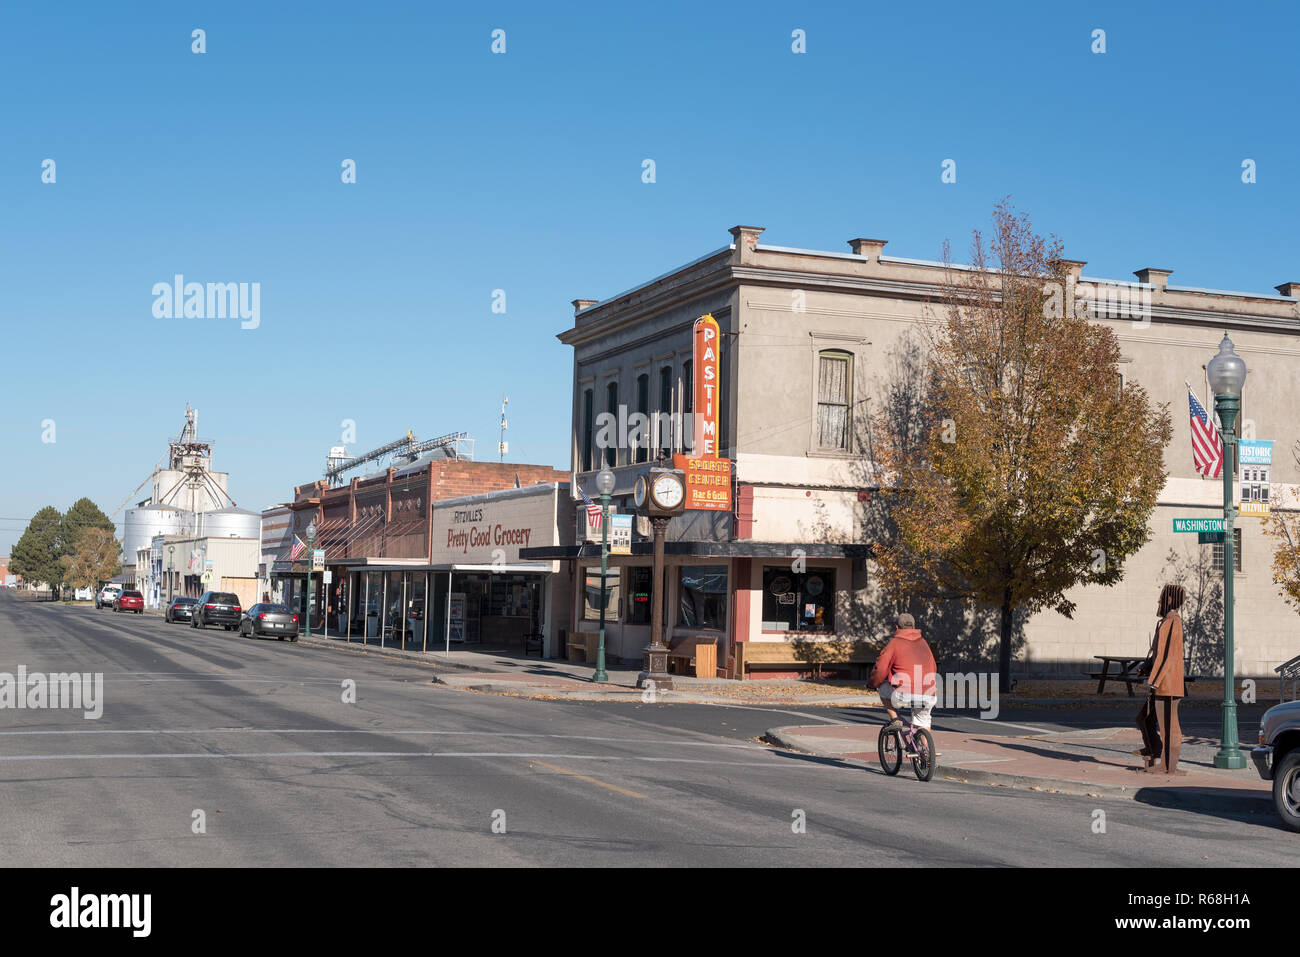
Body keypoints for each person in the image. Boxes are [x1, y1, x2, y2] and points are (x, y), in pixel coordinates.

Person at [1135, 584, 1187, 774]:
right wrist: (1147, 666)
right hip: (1160, 683)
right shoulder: (1165, 622)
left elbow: (1169, 657)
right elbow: (1158, 653)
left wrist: (1154, 680)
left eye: (1161, 599)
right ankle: (1154, 749)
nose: (1158, 602)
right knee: (1144, 719)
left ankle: (1168, 766)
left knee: (1169, 726)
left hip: (1168, 685)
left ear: (1170, 600)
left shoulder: (1174, 622)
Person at [869, 613, 938, 730]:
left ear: (897, 627)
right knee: (923, 721)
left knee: (882, 689)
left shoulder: (894, 643)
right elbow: (934, 667)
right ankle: (925, 748)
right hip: (928, 692)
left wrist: (872, 684)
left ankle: (895, 719)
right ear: (914, 626)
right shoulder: (923, 643)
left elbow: (880, 669)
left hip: (904, 692)